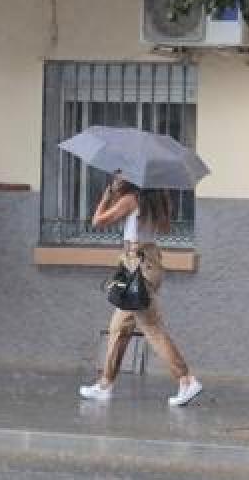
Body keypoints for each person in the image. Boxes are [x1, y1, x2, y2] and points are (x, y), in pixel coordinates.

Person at [79, 174, 203, 406]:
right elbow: (163, 228)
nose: (119, 177)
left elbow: (97, 222)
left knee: (152, 328)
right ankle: (105, 384)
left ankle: (186, 380)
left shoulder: (131, 200)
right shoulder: (156, 200)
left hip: (138, 269)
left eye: (123, 173)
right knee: (118, 328)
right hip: (147, 265)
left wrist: (106, 196)